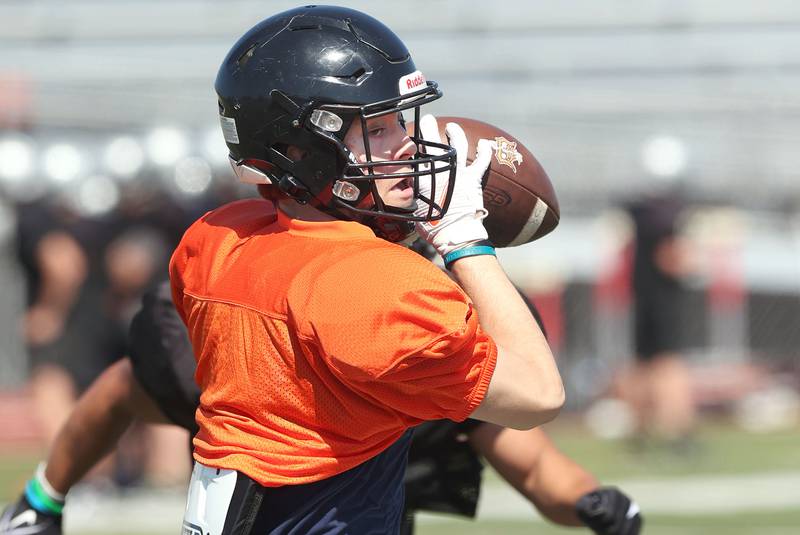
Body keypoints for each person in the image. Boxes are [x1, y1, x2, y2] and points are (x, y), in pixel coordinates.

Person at [168, 5, 563, 533]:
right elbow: (538, 394)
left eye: (399, 120)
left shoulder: (213, 241)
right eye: (376, 129)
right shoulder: (378, 285)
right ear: (300, 149)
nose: (406, 143)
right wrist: (465, 239)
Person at [0, 282, 641, 535]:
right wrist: (42, 497)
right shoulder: (244, 370)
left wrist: (597, 506)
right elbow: (122, 389)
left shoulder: (445, 380)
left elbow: (536, 466)